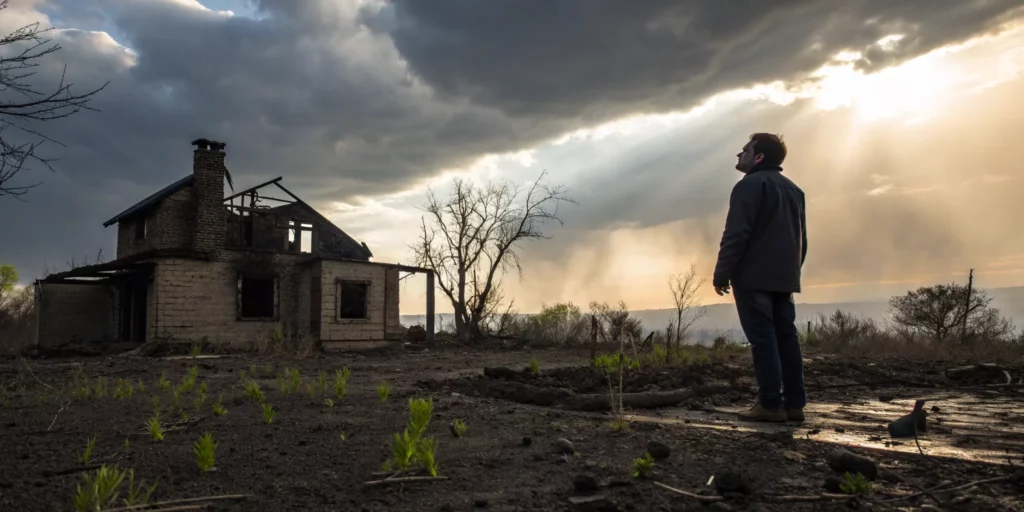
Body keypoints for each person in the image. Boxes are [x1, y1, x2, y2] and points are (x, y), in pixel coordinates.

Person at [712, 133, 807, 423]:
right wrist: (793, 270)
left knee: (762, 339)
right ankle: (794, 406)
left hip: (753, 276)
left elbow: (737, 233)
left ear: (759, 157)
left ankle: (769, 404)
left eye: (745, 150)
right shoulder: (794, 190)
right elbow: (802, 240)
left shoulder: (749, 186)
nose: (738, 155)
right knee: (786, 338)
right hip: (784, 276)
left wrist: (722, 272)